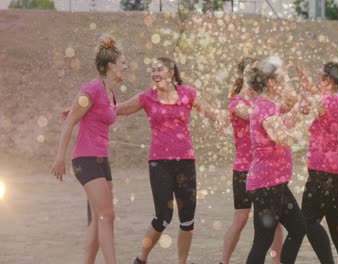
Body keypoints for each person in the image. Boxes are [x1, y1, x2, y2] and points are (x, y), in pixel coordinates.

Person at [116, 57, 225, 264]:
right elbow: (118, 109)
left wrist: (220, 119)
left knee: (187, 219)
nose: (155, 73)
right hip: (159, 163)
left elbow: (211, 111)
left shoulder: (188, 93)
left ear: (171, 72)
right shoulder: (147, 97)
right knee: (163, 217)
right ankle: (141, 259)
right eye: (153, 70)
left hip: (185, 162)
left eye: (159, 69)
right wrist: (86, 109)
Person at [51, 34, 127, 264]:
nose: (126, 65)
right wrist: (60, 158)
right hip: (85, 159)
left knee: (98, 218)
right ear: (111, 66)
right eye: (123, 62)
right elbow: (69, 122)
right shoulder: (92, 88)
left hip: (102, 161)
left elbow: (95, 113)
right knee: (107, 215)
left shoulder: (111, 94)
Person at [243, 55, 314, 264]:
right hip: (266, 184)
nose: (285, 84)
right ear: (272, 83)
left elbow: (283, 123)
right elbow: (283, 138)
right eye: (282, 80)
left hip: (274, 183)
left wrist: (300, 105)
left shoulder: (268, 106)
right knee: (262, 241)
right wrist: (309, 119)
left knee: (298, 227)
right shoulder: (264, 107)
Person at [221, 57, 283, 264]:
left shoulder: (263, 102)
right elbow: (253, 116)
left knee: (276, 221)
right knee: (240, 219)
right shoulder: (237, 103)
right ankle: (224, 261)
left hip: (267, 170)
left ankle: (277, 261)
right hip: (244, 169)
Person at [297, 62, 338, 264]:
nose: (316, 81)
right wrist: (306, 83)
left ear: (329, 81)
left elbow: (304, 108)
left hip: (325, 172)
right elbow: (319, 99)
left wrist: (301, 94)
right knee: (336, 223)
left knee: (308, 221)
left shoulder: (325, 101)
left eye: (319, 77)